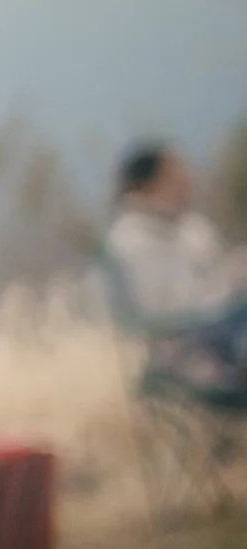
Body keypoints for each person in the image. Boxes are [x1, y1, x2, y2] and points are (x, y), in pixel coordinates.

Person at [105, 142, 247, 391]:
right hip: (176, 346)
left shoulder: (194, 229)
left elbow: (218, 276)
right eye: (175, 176)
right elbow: (158, 314)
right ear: (148, 184)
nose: (187, 182)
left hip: (219, 329)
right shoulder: (127, 240)